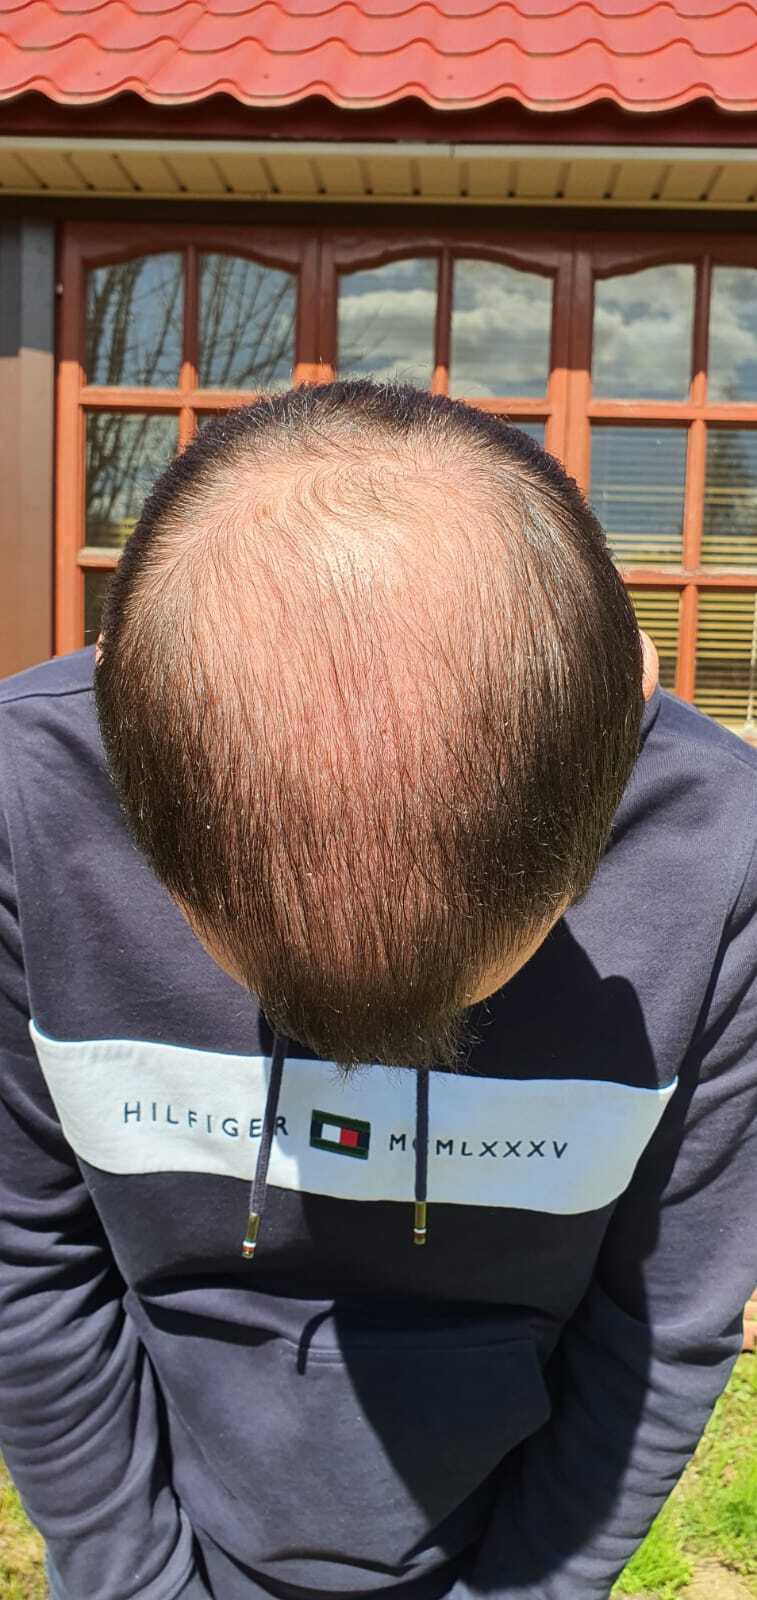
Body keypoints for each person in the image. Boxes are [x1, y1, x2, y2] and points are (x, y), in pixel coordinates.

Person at [0, 380, 755, 1600]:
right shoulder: (24, 804)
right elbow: (25, 1260)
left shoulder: (725, 857)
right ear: (119, 749)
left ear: (626, 721)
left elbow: (665, 1320)